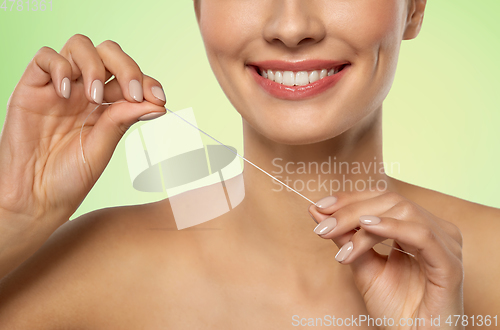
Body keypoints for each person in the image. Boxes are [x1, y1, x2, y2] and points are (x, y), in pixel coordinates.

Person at [0, 0, 499, 328]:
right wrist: (13, 217)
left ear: (412, 9)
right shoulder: (89, 273)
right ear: (197, 9)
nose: (292, 27)